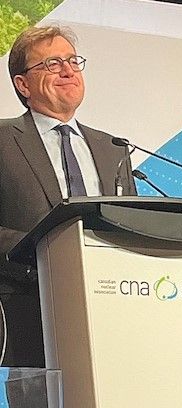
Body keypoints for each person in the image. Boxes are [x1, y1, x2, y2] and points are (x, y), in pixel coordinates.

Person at [0, 25, 137, 367]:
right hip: (26, 318)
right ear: (23, 84)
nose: (67, 71)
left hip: (110, 315)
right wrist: (45, 252)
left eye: (73, 61)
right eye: (52, 63)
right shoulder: (3, 140)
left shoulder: (113, 148)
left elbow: (131, 224)